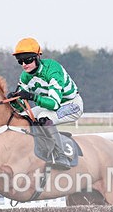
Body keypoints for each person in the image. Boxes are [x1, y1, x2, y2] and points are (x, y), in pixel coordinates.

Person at [7, 37, 84, 170]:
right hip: (48, 106)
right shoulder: (25, 76)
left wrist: (31, 96)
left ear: (37, 57)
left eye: (27, 60)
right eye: (20, 61)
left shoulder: (52, 69)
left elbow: (54, 104)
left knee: (44, 117)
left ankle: (61, 155)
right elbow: (20, 106)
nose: (24, 64)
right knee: (21, 118)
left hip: (71, 104)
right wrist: (14, 101)